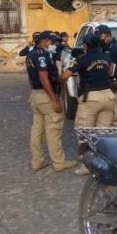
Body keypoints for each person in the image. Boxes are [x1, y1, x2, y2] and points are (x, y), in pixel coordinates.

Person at [60, 34, 117, 176]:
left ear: (85, 45)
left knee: (84, 133)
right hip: (108, 96)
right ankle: (103, 165)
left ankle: (87, 167)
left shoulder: (82, 59)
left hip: (91, 98)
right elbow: (110, 72)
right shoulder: (106, 57)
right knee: (102, 134)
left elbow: (65, 76)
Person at [26, 31, 77, 173]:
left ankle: (37, 161)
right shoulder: (41, 55)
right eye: (53, 42)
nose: (54, 45)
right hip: (46, 96)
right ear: (44, 41)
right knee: (53, 129)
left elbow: (31, 78)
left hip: (36, 95)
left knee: (37, 130)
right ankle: (59, 162)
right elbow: (44, 78)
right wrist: (55, 99)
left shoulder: (31, 53)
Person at [96, 25, 117, 127]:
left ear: (107, 35)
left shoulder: (115, 47)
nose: (99, 38)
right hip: (108, 84)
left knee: (116, 115)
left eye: (101, 36)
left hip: (114, 83)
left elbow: (112, 69)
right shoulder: (105, 46)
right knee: (106, 115)